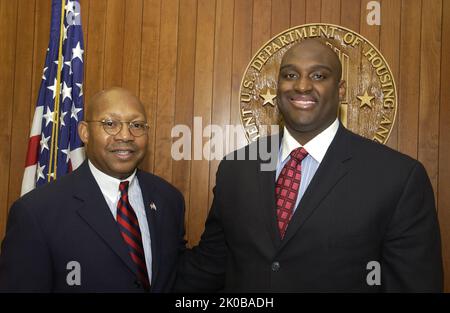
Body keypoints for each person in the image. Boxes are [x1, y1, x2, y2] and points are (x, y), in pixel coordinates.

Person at [176, 39, 443, 292]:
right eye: (290, 75)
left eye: (318, 76)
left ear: (340, 90)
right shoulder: (236, 168)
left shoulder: (398, 177)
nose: (301, 86)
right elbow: (210, 266)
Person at [0, 87, 186, 292]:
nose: (125, 135)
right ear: (85, 132)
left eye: (137, 125)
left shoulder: (169, 200)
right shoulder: (36, 212)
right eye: (110, 124)